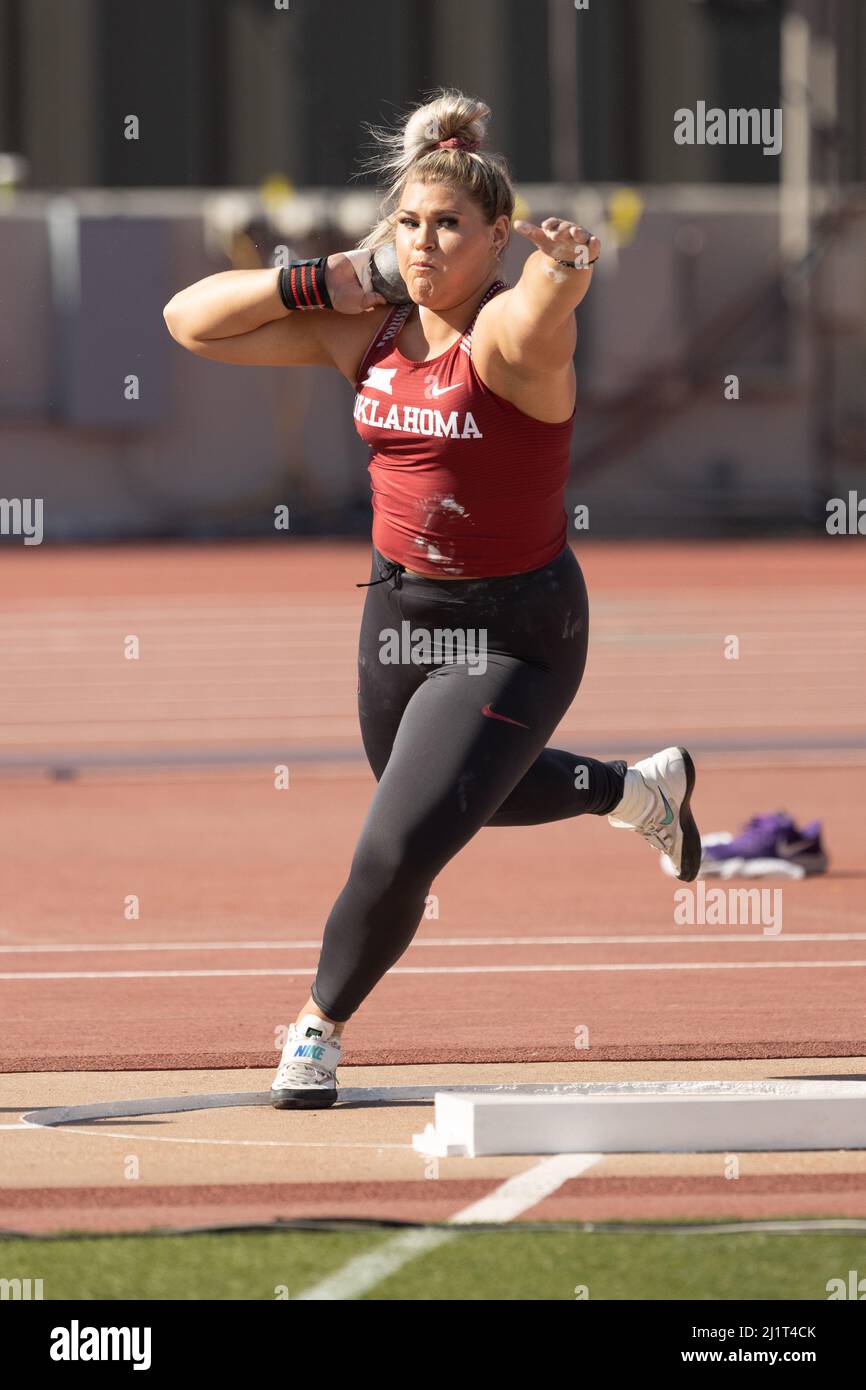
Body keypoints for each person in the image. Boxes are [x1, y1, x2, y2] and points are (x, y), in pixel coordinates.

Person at [163, 88, 701, 1110]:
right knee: (439, 791)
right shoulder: (361, 330)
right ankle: (635, 792)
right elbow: (188, 323)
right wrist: (334, 276)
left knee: (399, 839)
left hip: (517, 627)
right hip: (398, 614)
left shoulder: (503, 337)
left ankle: (316, 1027)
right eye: (407, 224)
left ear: (493, 235)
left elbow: (544, 309)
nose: (422, 243)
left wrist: (563, 265)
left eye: (447, 225)